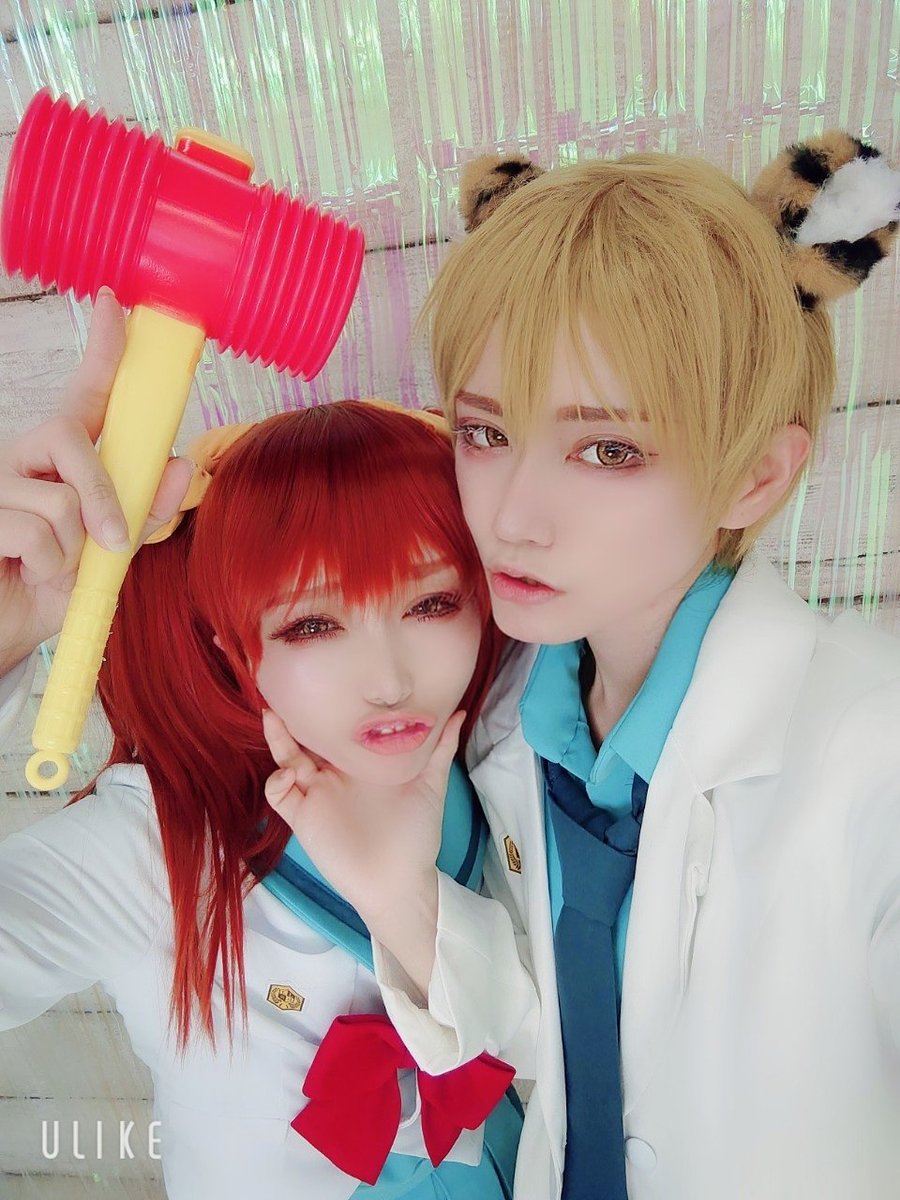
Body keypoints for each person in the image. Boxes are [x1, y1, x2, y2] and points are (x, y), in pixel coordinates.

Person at [262, 131, 900, 1199]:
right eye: (484, 433)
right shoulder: (508, 720)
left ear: (753, 476)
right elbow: (545, 1050)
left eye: (607, 450)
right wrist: (397, 898)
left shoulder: (874, 752)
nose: (513, 515)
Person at [0, 319, 522, 1200]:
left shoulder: (504, 751)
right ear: (229, 641)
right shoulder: (159, 843)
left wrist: (405, 903)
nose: (390, 680)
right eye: (312, 623)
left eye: (433, 603)